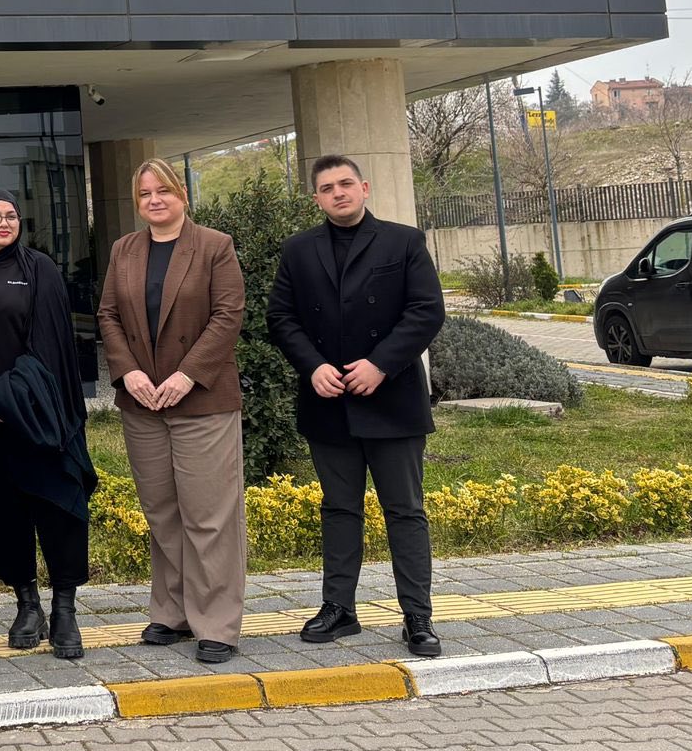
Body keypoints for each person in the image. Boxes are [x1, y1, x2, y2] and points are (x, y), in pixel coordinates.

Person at [267, 154, 446, 659]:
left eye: (346, 183)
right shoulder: (298, 250)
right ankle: (339, 610)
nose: (338, 193)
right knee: (339, 508)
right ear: (317, 197)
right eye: (327, 188)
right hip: (328, 400)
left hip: (391, 399)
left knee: (405, 511)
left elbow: (426, 311)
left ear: (364, 188)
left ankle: (418, 618)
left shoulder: (403, 241)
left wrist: (381, 364)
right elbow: (281, 318)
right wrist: (313, 366)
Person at [95, 160, 248, 665]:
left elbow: (229, 315)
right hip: (143, 402)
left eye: (163, 191)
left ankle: (217, 623)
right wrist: (128, 373)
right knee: (163, 513)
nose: (154, 200)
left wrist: (187, 374)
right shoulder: (124, 250)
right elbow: (109, 315)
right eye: (144, 194)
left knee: (209, 515)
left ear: (182, 194)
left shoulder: (213, 245)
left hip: (200, 399)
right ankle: (173, 611)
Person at [0, 189, 99, 661]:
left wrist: (11, 399)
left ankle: (65, 608)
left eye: (11, 215)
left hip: (44, 414)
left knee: (58, 505)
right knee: (6, 511)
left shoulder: (40, 269)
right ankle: (26, 603)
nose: (3, 222)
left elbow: (51, 343)